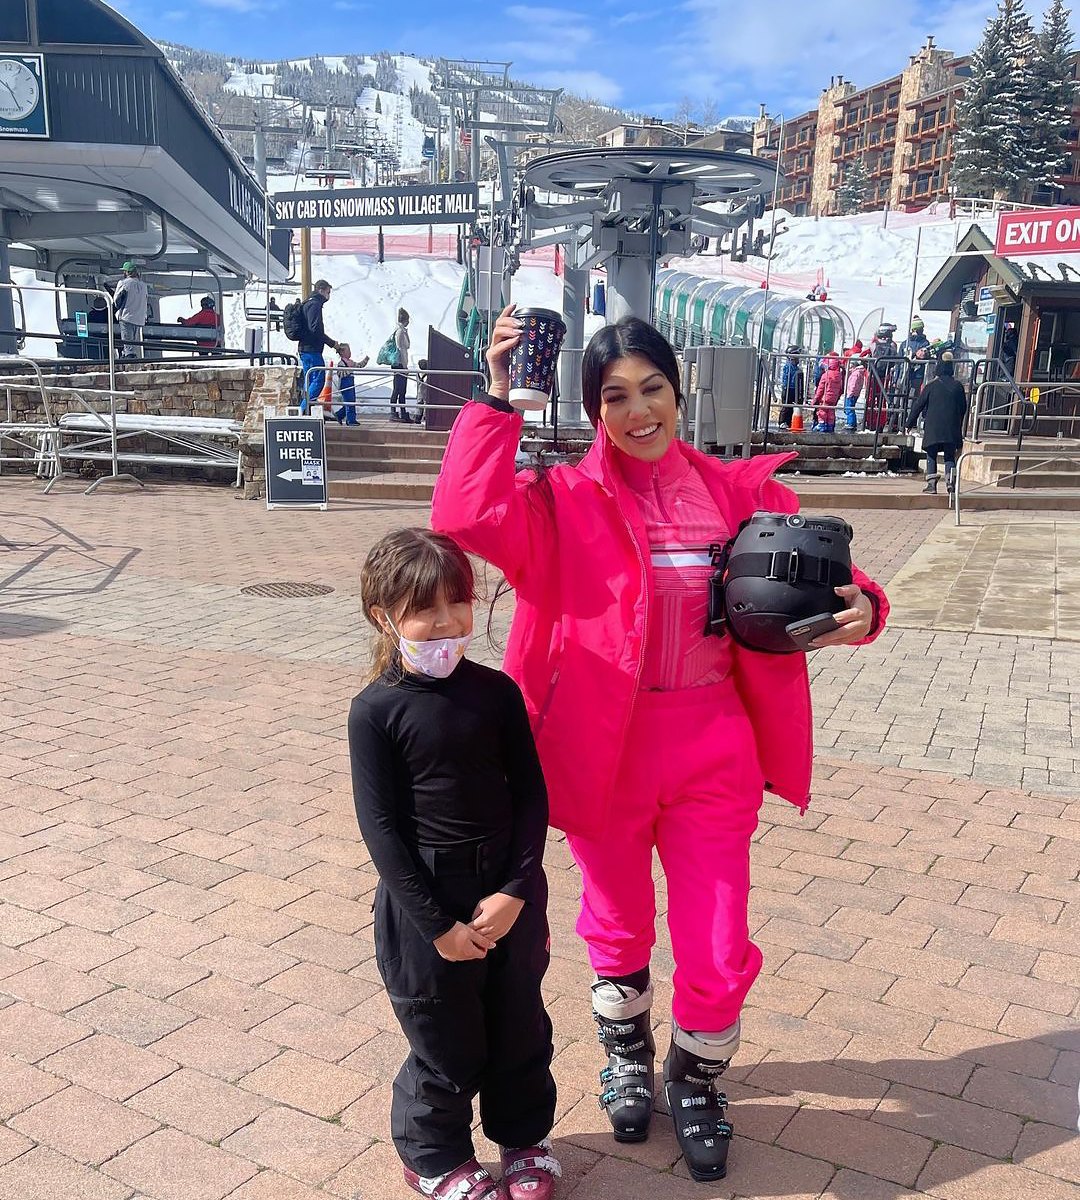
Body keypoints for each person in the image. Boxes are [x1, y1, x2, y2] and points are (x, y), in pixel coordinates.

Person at [431, 310, 889, 1183]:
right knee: (616, 921)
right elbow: (463, 513)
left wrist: (866, 608)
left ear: (679, 394)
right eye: (615, 397)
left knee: (716, 941)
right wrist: (499, 398)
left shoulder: (737, 494)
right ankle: (629, 1054)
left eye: (653, 390)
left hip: (713, 745)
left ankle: (698, 1075)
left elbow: (827, 574)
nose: (639, 412)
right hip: (599, 749)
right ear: (592, 410)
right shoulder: (558, 502)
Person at [349, 528, 560, 1200]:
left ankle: (524, 1140)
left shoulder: (495, 693)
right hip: (427, 901)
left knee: (518, 1020)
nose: (445, 622)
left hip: (506, 890)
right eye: (424, 609)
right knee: (445, 1036)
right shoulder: (375, 710)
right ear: (384, 615)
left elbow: (531, 795)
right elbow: (379, 828)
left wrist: (517, 889)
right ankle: (433, 1156)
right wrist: (437, 923)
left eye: (458, 602)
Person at [906, 351, 969, 494]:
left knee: (931, 454)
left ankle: (932, 485)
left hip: (933, 428)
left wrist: (908, 424)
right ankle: (950, 483)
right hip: (951, 429)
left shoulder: (931, 386)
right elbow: (963, 408)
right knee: (949, 456)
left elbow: (918, 405)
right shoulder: (958, 387)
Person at [298, 280, 343, 415]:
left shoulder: (307, 303)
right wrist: (332, 343)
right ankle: (303, 409)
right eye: (328, 292)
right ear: (321, 290)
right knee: (318, 379)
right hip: (312, 349)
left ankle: (307, 410)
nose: (329, 296)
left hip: (305, 348)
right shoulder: (315, 305)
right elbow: (316, 329)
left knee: (309, 380)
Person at [113, 261, 148, 360]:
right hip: (139, 318)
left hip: (126, 316)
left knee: (127, 342)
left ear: (126, 272)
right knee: (134, 341)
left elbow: (116, 301)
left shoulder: (123, 283)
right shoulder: (143, 286)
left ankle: (129, 358)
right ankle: (132, 356)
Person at [331, 343, 369, 425]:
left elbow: (359, 365)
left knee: (350, 401)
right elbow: (340, 374)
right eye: (348, 351)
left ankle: (339, 415)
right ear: (342, 353)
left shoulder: (350, 362)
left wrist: (366, 360)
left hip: (350, 383)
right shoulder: (341, 363)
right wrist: (349, 369)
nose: (350, 353)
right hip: (345, 384)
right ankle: (350, 420)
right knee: (350, 402)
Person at [390, 307, 413, 422]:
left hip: (400, 364)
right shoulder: (400, 332)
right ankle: (394, 412)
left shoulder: (400, 331)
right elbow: (401, 348)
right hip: (399, 364)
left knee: (401, 389)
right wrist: (404, 366)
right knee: (398, 389)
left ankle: (401, 412)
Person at [812, 350, 842, 431]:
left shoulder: (826, 375)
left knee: (822, 411)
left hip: (825, 398)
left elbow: (820, 389)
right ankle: (830, 426)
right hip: (834, 398)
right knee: (831, 412)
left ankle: (821, 425)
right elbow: (840, 388)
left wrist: (815, 399)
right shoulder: (839, 375)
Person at [778, 344, 805, 429]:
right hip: (788, 388)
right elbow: (788, 377)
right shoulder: (788, 366)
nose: (798, 359)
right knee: (786, 406)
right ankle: (782, 422)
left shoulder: (795, 367)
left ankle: (788, 422)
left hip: (794, 389)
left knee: (791, 407)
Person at [844, 350, 870, 431]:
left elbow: (853, 384)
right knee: (850, 408)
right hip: (855, 393)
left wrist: (850, 393)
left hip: (851, 393)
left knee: (849, 408)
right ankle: (850, 422)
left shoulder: (856, 373)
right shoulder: (860, 372)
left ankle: (851, 423)